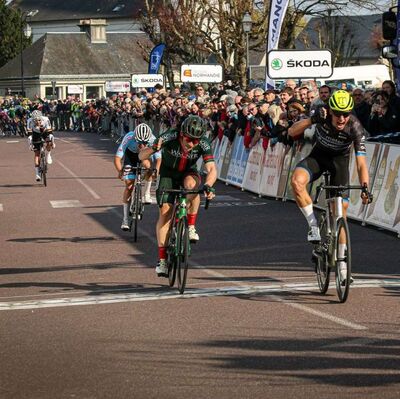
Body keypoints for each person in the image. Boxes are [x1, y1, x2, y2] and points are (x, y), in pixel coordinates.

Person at [288, 90, 371, 284]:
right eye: (337, 114)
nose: (341, 118)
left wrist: (365, 187)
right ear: (330, 110)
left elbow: (361, 164)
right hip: (318, 157)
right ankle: (314, 227)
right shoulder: (321, 113)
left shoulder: (355, 127)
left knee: (340, 212)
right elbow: (292, 132)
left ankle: (343, 268)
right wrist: (312, 120)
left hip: (339, 164)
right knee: (296, 182)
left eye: (346, 114)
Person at [139, 115, 217, 277]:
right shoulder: (169, 136)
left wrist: (209, 185)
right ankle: (162, 261)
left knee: (193, 187)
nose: (192, 144)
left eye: (196, 141)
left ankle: (190, 226)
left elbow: (211, 169)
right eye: (189, 139)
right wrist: (153, 148)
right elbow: (141, 156)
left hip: (188, 172)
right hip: (167, 174)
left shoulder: (203, 142)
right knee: (165, 213)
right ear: (181, 134)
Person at [114, 123, 161, 231]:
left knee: (148, 166)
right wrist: (120, 171)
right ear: (135, 138)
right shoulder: (129, 137)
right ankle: (125, 219)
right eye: (140, 142)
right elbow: (117, 158)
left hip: (145, 156)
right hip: (131, 156)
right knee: (129, 186)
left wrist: (156, 172)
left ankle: (146, 193)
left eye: (145, 143)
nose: (142, 145)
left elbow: (158, 159)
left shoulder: (153, 139)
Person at [26, 110, 55, 181]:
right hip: (35, 134)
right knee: (37, 154)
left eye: (39, 120)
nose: (37, 122)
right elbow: (29, 135)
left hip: (44, 131)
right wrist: (30, 144)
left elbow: (50, 133)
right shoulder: (29, 121)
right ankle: (37, 174)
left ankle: (48, 155)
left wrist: (52, 142)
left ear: (41, 118)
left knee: (49, 140)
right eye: (35, 120)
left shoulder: (46, 119)